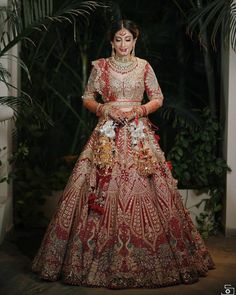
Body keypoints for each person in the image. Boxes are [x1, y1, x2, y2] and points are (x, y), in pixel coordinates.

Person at [32, 19, 215, 288]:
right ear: (111, 41)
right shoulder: (101, 66)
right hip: (107, 132)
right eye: (118, 39)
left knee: (150, 187)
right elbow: (87, 98)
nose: (123, 44)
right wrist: (106, 110)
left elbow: (157, 97)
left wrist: (138, 111)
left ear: (135, 40)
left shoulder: (144, 66)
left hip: (138, 133)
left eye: (128, 39)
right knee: (94, 187)